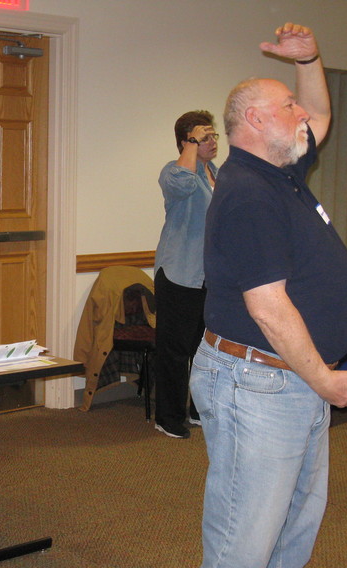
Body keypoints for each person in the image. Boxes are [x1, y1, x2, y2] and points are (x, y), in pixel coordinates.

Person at [187, 23, 347, 568]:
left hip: (288, 379)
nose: (301, 114)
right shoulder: (246, 192)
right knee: (241, 550)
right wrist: (323, 379)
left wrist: (309, 58)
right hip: (259, 382)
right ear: (256, 122)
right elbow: (268, 308)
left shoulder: (282, 170)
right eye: (287, 105)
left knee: (289, 536)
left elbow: (319, 113)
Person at [153, 111, 219, 439]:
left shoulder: (215, 174)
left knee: (204, 351)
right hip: (179, 275)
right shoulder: (176, 172)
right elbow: (180, 184)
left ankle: (197, 410)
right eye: (202, 137)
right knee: (174, 353)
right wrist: (189, 150)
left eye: (213, 135)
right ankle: (167, 417)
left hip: (209, 278)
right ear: (186, 142)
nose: (212, 142)